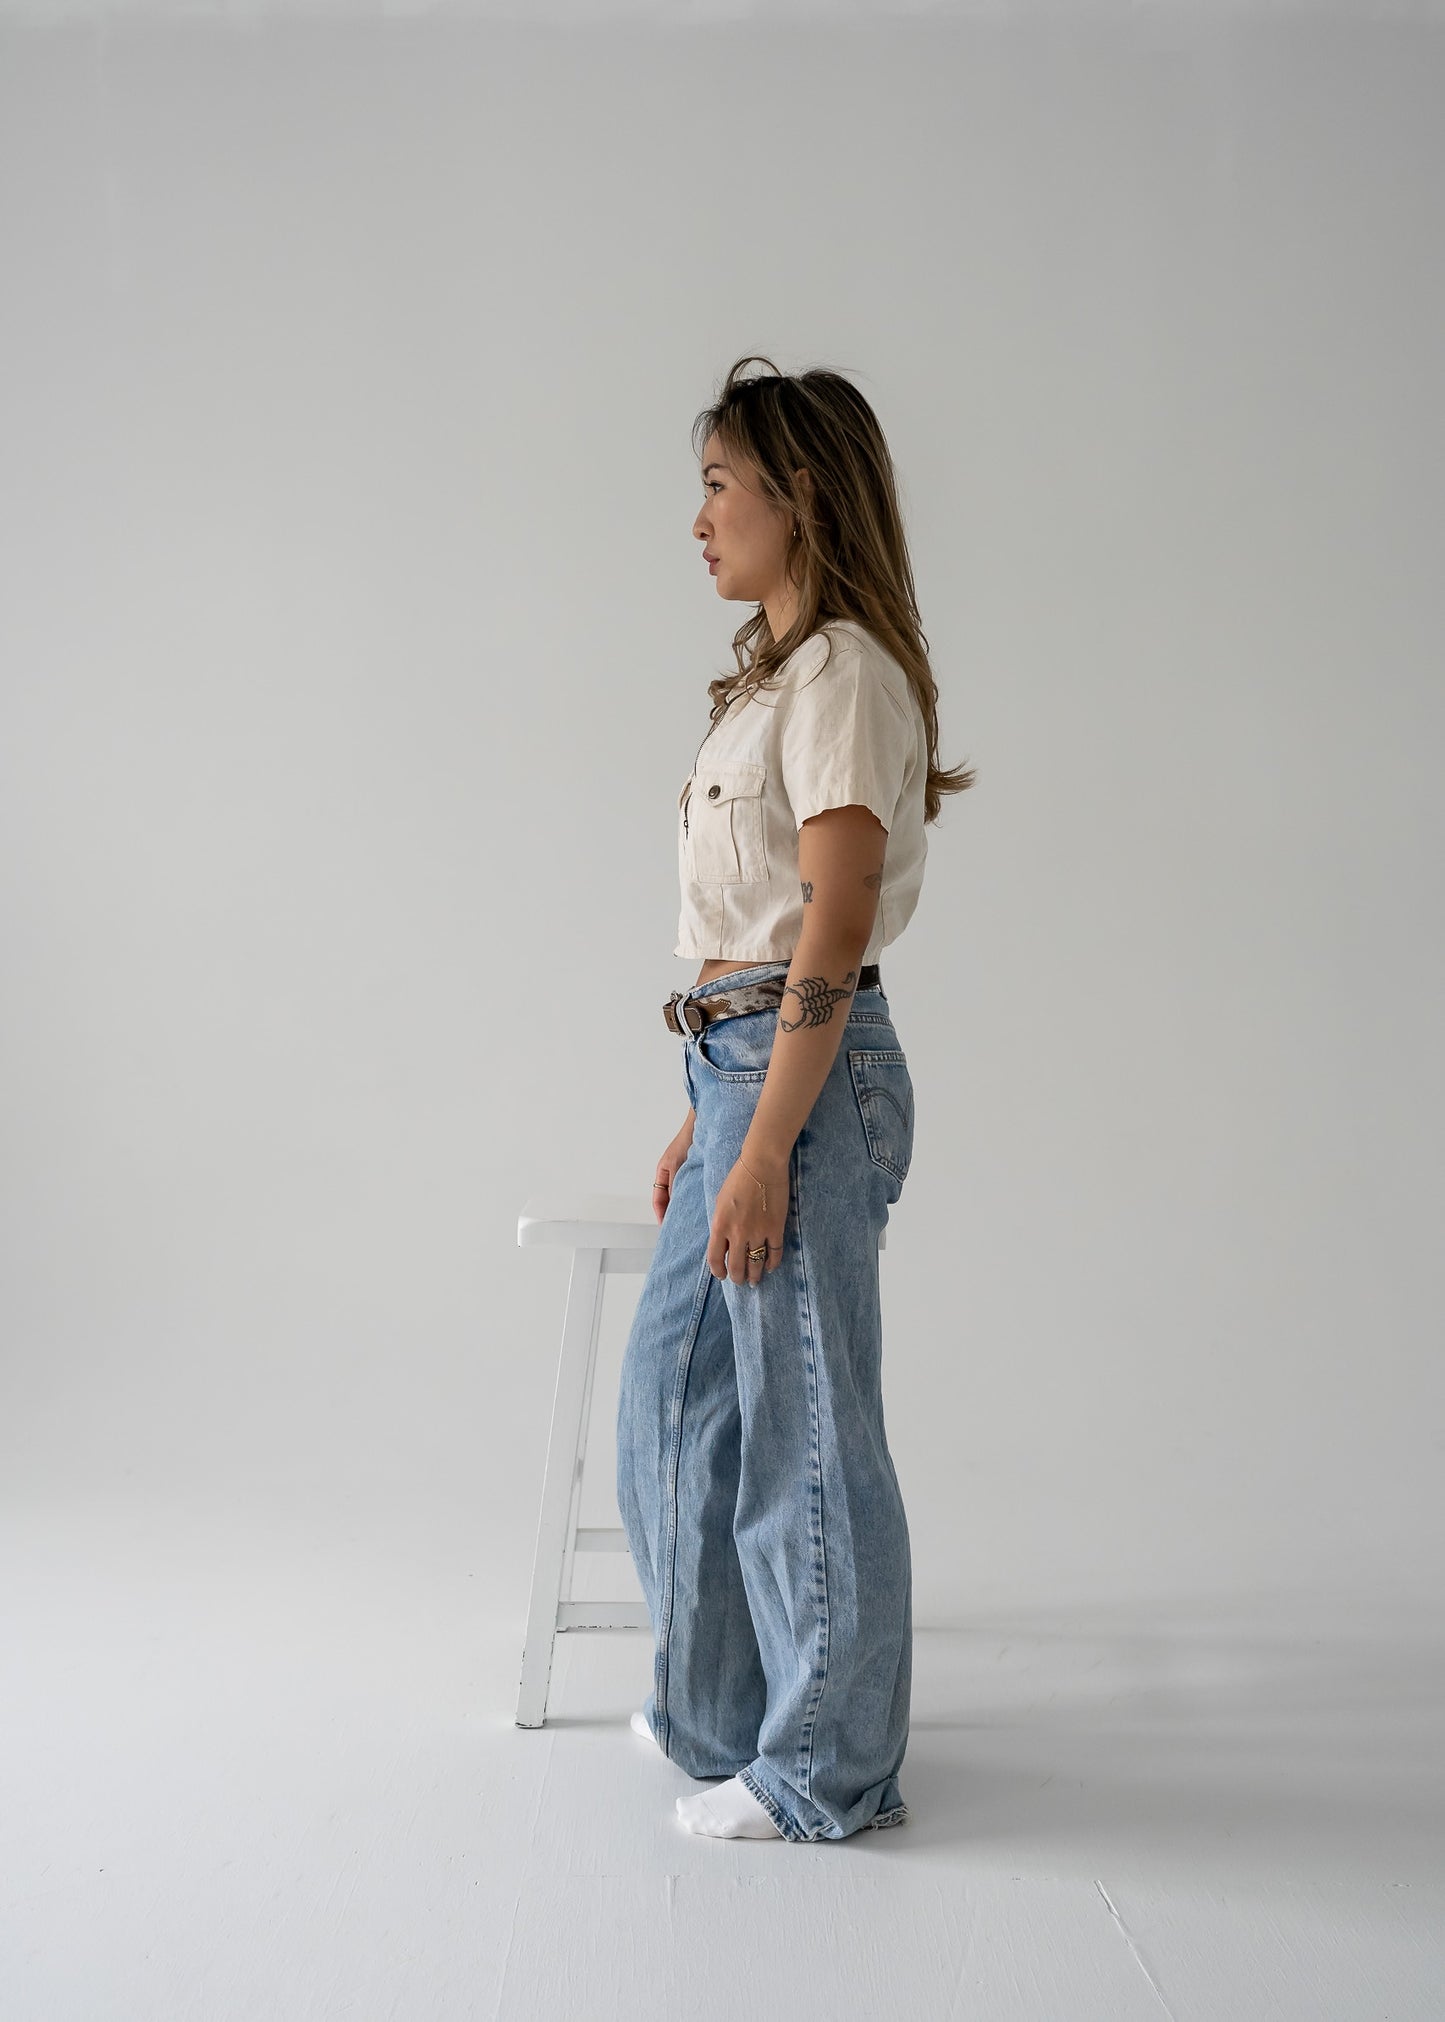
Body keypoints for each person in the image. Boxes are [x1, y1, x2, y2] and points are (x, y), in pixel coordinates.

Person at [615, 355, 975, 1842]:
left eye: (718, 483)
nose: (697, 516)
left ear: (797, 494)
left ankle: (823, 1765)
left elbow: (824, 926)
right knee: (675, 1402)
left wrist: (767, 1133)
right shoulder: (773, 680)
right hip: (745, 1065)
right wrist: (714, 1103)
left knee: (802, 1435)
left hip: (805, 1083)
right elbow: (759, 935)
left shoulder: (843, 681)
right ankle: (714, 1715)